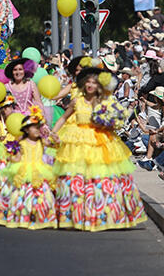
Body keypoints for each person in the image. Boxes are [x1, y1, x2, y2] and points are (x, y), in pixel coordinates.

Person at [52, 67, 147, 231]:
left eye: (93, 82)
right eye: (87, 81)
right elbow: (63, 118)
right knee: (77, 180)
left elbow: (117, 119)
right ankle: (79, 215)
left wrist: (109, 123)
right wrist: (53, 133)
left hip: (102, 142)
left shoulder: (106, 101)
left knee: (102, 180)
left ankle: (105, 214)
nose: (89, 85)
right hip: (79, 143)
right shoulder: (77, 101)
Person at [0, 110, 59, 230]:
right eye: (34, 128)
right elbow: (16, 158)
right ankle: (20, 216)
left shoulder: (41, 141)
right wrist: (13, 156)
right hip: (24, 170)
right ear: (26, 130)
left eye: (38, 127)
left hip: (39, 170)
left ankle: (42, 216)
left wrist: (55, 139)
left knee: (44, 195)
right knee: (19, 195)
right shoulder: (21, 143)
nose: (37, 130)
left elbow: (54, 144)